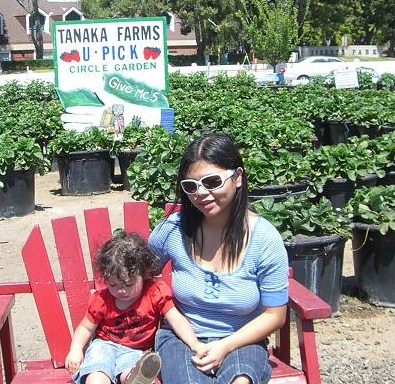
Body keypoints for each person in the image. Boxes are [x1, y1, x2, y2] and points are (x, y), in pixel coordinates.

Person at [149, 132, 289, 384]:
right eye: (190, 186)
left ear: (237, 177)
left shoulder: (264, 238)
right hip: (182, 339)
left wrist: (225, 346)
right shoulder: (173, 229)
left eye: (212, 181)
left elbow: (275, 315)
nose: (200, 193)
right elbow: (139, 272)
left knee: (242, 380)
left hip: (241, 339)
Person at [65, 231, 203, 384]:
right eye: (113, 285)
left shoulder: (155, 293)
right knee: (97, 374)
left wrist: (194, 343)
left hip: (135, 350)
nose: (121, 290)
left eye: (129, 284)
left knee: (131, 373)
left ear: (143, 273)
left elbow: (176, 320)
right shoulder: (102, 300)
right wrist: (76, 350)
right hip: (103, 346)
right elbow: (86, 327)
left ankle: (134, 379)